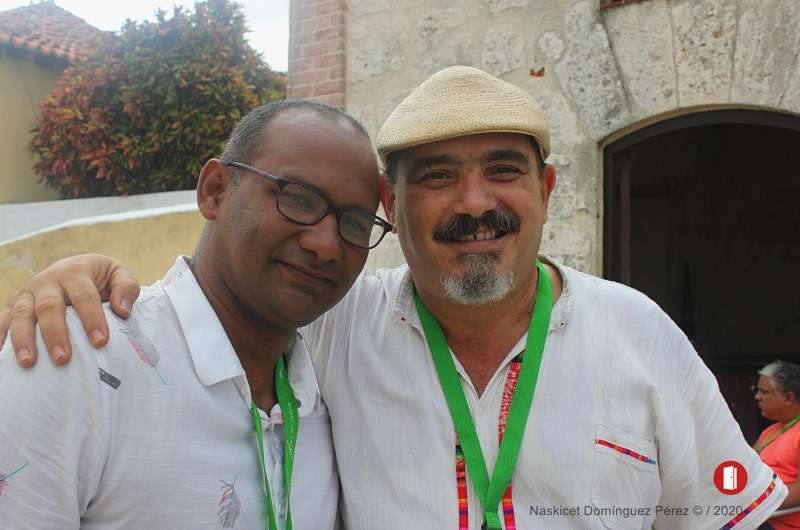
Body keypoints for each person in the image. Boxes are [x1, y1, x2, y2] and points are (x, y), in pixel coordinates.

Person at [0, 66, 787, 529]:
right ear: (395, 204)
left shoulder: (637, 332)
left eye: (504, 170)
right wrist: (78, 273)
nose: (474, 202)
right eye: (438, 177)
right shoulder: (336, 326)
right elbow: (220, 299)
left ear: (546, 188)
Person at [0, 99, 392, 528]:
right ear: (214, 191)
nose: (326, 244)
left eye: (355, 223)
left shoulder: (329, 390)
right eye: (297, 199)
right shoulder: (74, 362)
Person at [754, 361, 800, 530]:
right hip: (759, 517)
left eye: (764, 392)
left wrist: (754, 504)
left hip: (779, 523)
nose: (757, 397)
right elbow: (746, 468)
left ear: (788, 397)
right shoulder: (770, 431)